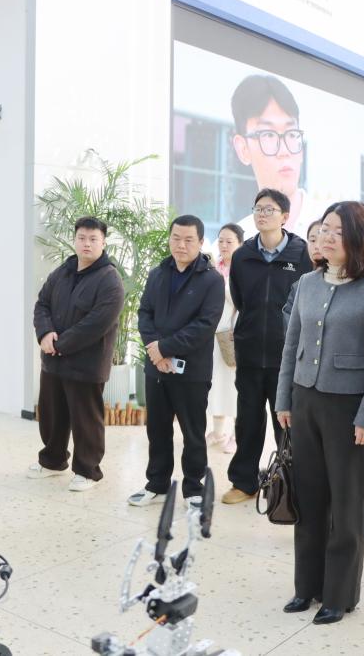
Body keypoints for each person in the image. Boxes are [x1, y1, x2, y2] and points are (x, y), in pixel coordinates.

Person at [275, 201, 364, 625]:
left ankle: (339, 594)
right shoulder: (308, 283)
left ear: (358, 237)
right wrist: (284, 399)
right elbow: (291, 345)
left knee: (346, 507)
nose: (327, 237)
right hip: (305, 401)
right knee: (309, 500)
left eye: (338, 231)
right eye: (324, 229)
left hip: (350, 408)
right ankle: (306, 587)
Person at [224, 189, 314, 505]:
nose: (262, 215)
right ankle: (244, 482)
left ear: (285, 217)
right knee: (247, 421)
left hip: (287, 356)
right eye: (258, 209)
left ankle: (291, 489)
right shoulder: (243, 255)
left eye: (269, 209)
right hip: (250, 352)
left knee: (286, 424)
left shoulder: (302, 255)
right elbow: (240, 298)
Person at [130, 215, 224, 508]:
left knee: (193, 433)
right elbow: (144, 313)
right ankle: (156, 484)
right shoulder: (158, 273)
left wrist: (165, 348)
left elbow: (205, 325)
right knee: (157, 430)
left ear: (200, 242)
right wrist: (155, 351)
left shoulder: (212, 280)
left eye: (188, 240)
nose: (181, 245)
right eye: (176, 238)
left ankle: (194, 488)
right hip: (156, 368)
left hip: (192, 371)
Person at [30, 217, 125, 491]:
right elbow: (42, 304)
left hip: (86, 363)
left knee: (86, 420)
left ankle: (87, 471)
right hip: (53, 360)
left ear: (103, 243)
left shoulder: (110, 279)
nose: (86, 243)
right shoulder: (63, 271)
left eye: (93, 239)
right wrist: (45, 334)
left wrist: (60, 344)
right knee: (52, 415)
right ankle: (52, 461)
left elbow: (96, 323)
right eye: (82, 238)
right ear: (75, 240)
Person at [230, 75, 329, 238]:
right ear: (243, 149)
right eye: (269, 135)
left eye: (291, 134)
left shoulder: (334, 228)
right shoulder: (236, 241)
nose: (284, 151)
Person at [208, 223, 244, 454]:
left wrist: (220, 284)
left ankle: (236, 435)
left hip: (232, 334)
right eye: (221, 240)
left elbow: (243, 301)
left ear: (240, 243)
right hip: (212, 334)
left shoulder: (244, 268)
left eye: (229, 241)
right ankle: (218, 431)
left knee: (234, 387)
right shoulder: (214, 267)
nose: (223, 245)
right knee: (216, 384)